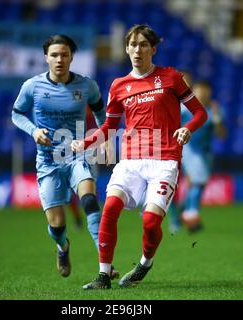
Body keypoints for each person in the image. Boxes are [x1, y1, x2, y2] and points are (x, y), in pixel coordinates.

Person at [71, 24, 208, 289]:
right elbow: (109, 128)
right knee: (109, 208)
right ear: (126, 49)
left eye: (143, 44)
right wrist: (85, 142)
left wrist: (187, 129)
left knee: (150, 221)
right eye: (132, 45)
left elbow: (200, 113)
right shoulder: (119, 86)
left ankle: (145, 263)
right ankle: (103, 275)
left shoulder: (171, 78)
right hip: (131, 161)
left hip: (165, 159)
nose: (137, 50)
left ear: (153, 49)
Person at [11, 34, 118, 279]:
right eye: (54, 55)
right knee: (57, 226)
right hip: (48, 161)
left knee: (89, 201)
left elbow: (104, 116)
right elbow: (16, 114)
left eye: (64, 55)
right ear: (46, 58)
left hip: (79, 154)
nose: (59, 59)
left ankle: (106, 265)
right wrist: (34, 130)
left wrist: (105, 140)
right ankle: (63, 247)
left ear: (71, 58)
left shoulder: (87, 86)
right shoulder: (32, 86)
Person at [172, 80, 227, 233]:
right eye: (198, 91)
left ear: (209, 93)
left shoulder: (215, 110)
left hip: (206, 153)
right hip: (187, 149)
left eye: (205, 91)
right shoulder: (184, 109)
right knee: (198, 181)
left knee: (197, 184)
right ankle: (192, 215)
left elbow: (221, 135)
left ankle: (179, 216)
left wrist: (217, 120)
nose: (202, 94)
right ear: (193, 92)